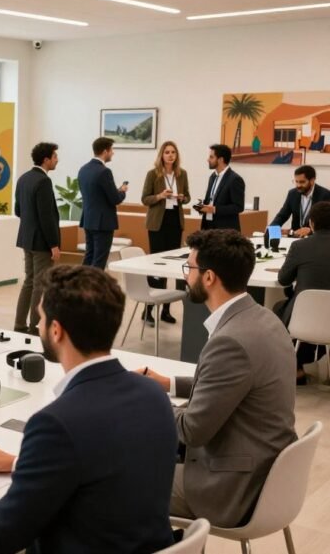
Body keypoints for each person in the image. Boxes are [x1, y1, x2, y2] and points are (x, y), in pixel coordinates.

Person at [0, 265, 177, 554]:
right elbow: (100, 463)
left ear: (56, 330)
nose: (38, 325)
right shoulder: (153, 393)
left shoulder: (55, 424)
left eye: (40, 318)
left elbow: (4, 534)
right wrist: (20, 464)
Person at [138, 229, 296, 528]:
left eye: (190, 268)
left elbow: (192, 431)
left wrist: (146, 398)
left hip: (228, 487)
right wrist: (168, 383)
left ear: (208, 277)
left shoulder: (231, 341)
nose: (186, 276)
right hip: (263, 469)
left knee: (114, 479)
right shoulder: (263, 319)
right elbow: (230, 384)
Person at [277, 201, 330, 383]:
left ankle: (297, 368)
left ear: (311, 224)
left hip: (303, 319)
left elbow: (283, 279)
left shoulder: (300, 247)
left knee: (279, 308)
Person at [141, 140, 191, 326]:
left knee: (172, 267)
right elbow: (145, 199)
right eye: (167, 152)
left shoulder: (182, 174)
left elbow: (187, 196)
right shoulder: (153, 174)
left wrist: (183, 198)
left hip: (175, 222)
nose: (171, 155)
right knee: (156, 267)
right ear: (161, 155)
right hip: (157, 224)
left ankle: (166, 311)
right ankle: (148, 309)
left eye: (173, 152)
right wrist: (161, 196)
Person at [13, 142, 61, 335]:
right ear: (46, 159)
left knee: (29, 282)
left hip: (26, 239)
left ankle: (19, 325)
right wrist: (54, 245)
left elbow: (18, 210)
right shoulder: (43, 181)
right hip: (41, 243)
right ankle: (34, 328)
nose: (57, 159)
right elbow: (46, 217)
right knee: (39, 285)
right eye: (55, 156)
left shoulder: (23, 178)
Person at [78, 137, 127, 269]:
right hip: (103, 223)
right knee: (99, 260)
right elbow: (115, 199)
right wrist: (122, 191)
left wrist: (116, 192)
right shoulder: (104, 171)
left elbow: (97, 195)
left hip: (88, 220)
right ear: (105, 151)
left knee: (89, 256)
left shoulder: (83, 169)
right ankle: (94, 289)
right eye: (111, 150)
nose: (113, 153)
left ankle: (80, 286)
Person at [270, 165, 330, 237]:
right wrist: (273, 231)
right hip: (295, 238)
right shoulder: (292, 194)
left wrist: (310, 230)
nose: (298, 185)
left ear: (312, 181)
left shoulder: (325, 195)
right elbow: (282, 216)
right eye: (296, 181)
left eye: (302, 182)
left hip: (315, 238)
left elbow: (327, 223)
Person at [199, 144, 244, 231]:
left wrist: (215, 209)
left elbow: (238, 207)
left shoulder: (235, 179)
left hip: (225, 231)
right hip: (208, 227)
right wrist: (201, 206)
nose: (208, 160)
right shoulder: (212, 177)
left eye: (211, 157)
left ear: (220, 159)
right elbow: (211, 200)